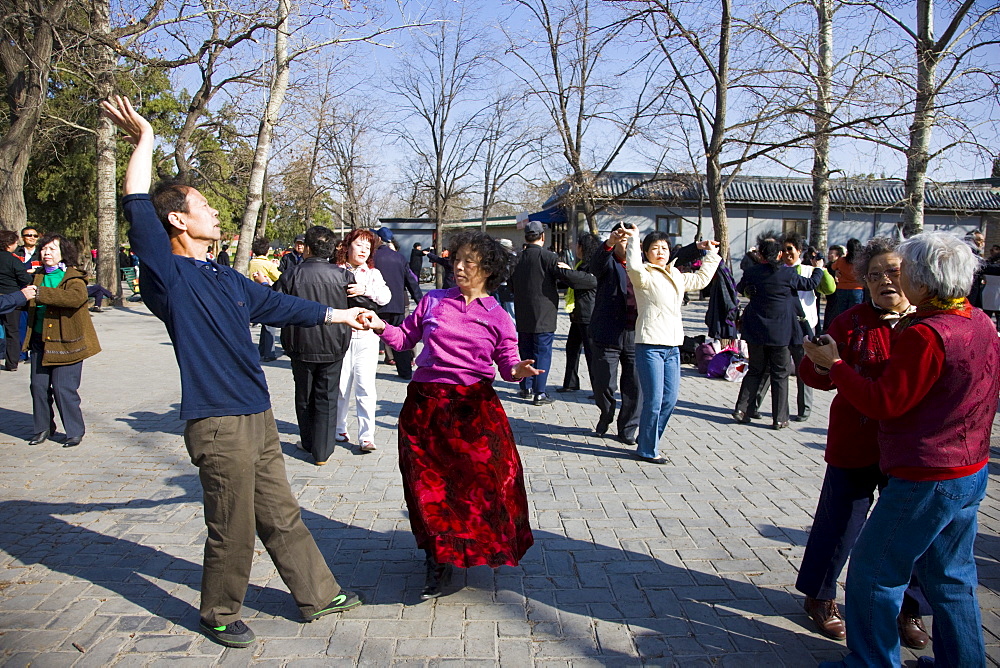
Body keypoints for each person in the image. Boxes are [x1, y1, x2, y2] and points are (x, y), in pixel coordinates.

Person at [101, 96, 367, 649]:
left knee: (280, 511)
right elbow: (136, 206)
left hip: (257, 412)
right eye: (204, 207)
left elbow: (279, 307)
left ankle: (317, 593)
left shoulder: (221, 276)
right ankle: (218, 611)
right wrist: (145, 141)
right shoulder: (168, 275)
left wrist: (342, 313)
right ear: (178, 219)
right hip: (217, 421)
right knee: (233, 525)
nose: (216, 213)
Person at [806, 231, 999, 668]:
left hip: (928, 472)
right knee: (952, 577)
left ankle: (871, 661)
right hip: (968, 468)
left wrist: (838, 365)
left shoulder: (927, 333)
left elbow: (883, 402)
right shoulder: (979, 320)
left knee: (875, 573)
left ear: (925, 282)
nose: (893, 280)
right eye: (878, 274)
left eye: (902, 270)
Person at [361, 230, 540, 599]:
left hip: (473, 411)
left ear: (487, 270)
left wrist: (519, 370)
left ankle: (472, 547)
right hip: (425, 408)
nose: (458, 267)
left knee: (482, 483)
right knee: (430, 487)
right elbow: (403, 340)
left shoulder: (497, 316)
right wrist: (380, 325)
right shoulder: (433, 302)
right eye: (456, 259)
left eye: (468, 262)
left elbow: (507, 366)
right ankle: (437, 559)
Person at [796, 237, 928, 647]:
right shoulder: (850, 321)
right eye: (874, 276)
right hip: (855, 440)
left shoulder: (929, 322)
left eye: (893, 272)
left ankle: (909, 610)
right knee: (840, 524)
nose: (884, 281)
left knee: (911, 532)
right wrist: (819, 359)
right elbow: (814, 377)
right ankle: (820, 597)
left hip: (910, 450)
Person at [624, 227, 720, 463]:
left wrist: (711, 255)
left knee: (670, 399)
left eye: (664, 248)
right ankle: (647, 449)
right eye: (655, 248)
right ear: (646, 252)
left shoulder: (675, 274)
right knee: (654, 400)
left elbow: (700, 279)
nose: (660, 252)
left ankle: (648, 440)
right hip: (650, 345)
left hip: (673, 346)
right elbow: (633, 267)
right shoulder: (643, 274)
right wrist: (634, 240)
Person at [273, 226, 354, 466]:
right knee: (327, 397)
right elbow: (362, 303)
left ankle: (308, 441)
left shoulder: (291, 275)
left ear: (307, 247)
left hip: (300, 344)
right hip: (334, 344)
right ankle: (322, 451)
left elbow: (275, 304)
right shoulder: (344, 276)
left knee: (304, 395)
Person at [732, 231, 823, 429]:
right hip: (781, 332)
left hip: (756, 329)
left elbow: (741, 288)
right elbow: (810, 284)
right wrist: (819, 269)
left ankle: (741, 409)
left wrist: (750, 291)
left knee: (755, 370)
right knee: (780, 374)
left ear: (761, 255)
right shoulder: (788, 273)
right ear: (780, 254)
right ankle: (780, 418)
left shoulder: (752, 272)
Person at [22, 234, 101, 448]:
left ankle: (74, 431)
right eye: (44, 249)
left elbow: (74, 298)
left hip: (68, 342)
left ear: (63, 253)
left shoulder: (73, 277)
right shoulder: (36, 275)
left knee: (63, 388)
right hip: (40, 341)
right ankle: (43, 428)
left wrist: (39, 294)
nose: (47, 253)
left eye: (52, 249)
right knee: (38, 387)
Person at [510, 220, 596, 406]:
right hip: (544, 314)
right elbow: (567, 277)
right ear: (543, 236)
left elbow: (511, 285)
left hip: (523, 313)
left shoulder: (517, 258)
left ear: (526, 237)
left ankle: (526, 387)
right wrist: (590, 279)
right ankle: (540, 392)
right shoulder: (548, 257)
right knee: (542, 352)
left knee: (525, 350)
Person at [752, 232, 836, 422]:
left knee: (803, 368)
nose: (787, 253)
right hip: (780, 327)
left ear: (799, 251)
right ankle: (753, 404)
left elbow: (829, 289)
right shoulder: (775, 270)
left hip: (803, 327)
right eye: (783, 250)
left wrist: (821, 269)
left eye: (790, 249)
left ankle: (804, 409)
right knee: (769, 367)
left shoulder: (809, 270)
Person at [336, 228, 390, 452]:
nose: (364, 250)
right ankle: (339, 428)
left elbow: (386, 297)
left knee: (366, 388)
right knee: (340, 387)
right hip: (342, 337)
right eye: (359, 245)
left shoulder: (373, 274)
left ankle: (366, 436)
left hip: (367, 338)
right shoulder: (336, 271)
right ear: (347, 246)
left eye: (368, 247)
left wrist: (365, 289)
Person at [588, 223, 641, 444]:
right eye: (622, 241)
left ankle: (628, 428)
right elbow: (595, 264)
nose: (625, 244)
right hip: (607, 332)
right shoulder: (607, 263)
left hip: (635, 333)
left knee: (635, 384)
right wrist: (609, 242)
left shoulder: (643, 267)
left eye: (629, 241)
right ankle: (606, 412)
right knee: (604, 383)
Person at [373, 227, 422, 381]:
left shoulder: (370, 257)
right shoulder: (399, 258)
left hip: (374, 306)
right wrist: (421, 302)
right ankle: (405, 372)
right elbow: (412, 283)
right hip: (397, 306)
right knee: (400, 341)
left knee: (371, 340)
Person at [558, 233, 600, 393]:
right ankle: (570, 383)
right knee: (572, 348)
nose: (576, 248)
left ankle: (598, 388)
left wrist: (568, 271)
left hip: (589, 315)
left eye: (578, 245)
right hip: (578, 314)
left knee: (591, 353)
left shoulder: (593, 266)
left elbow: (582, 280)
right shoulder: (581, 264)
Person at [0, 230, 31, 371]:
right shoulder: (13, 260)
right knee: (12, 331)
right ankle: (12, 363)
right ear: (9, 244)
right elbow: (25, 279)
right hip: (12, 299)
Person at [249, 238, 282, 362]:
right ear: (267, 251)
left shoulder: (252, 263)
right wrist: (275, 266)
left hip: (254, 295)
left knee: (263, 324)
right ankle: (269, 352)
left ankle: (261, 349)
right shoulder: (268, 264)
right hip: (267, 294)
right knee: (270, 326)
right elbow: (279, 277)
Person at [825, 238, 862, 330]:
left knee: (842, 312)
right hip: (857, 288)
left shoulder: (842, 260)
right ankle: (853, 330)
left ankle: (842, 330)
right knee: (856, 313)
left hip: (842, 288)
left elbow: (833, 267)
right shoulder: (860, 261)